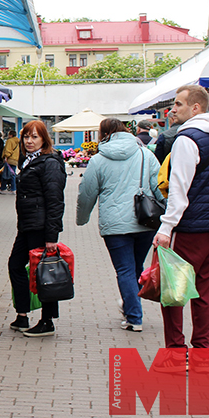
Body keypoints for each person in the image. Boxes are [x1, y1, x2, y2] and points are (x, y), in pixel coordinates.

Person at [152, 85, 209, 370]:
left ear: (195, 107)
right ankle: (202, 355)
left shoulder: (186, 140)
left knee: (173, 292)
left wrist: (165, 228)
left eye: (179, 104)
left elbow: (179, 189)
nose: (174, 109)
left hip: (189, 228)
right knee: (203, 292)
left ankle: (175, 353)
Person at [76, 118, 164, 332]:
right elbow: (159, 187)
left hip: (115, 225)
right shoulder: (146, 154)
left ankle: (134, 316)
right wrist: (169, 218)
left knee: (124, 269)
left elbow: (87, 193)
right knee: (135, 267)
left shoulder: (98, 160)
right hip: (146, 220)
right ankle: (131, 307)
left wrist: (82, 218)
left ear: (103, 134)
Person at [7, 120, 67, 337]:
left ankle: (47, 320)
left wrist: (52, 235)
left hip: (40, 227)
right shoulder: (30, 160)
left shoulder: (49, 162)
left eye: (34, 137)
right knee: (16, 265)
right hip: (27, 226)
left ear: (44, 139)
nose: (29, 141)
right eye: (26, 136)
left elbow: (55, 200)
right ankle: (22, 314)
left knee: (43, 273)